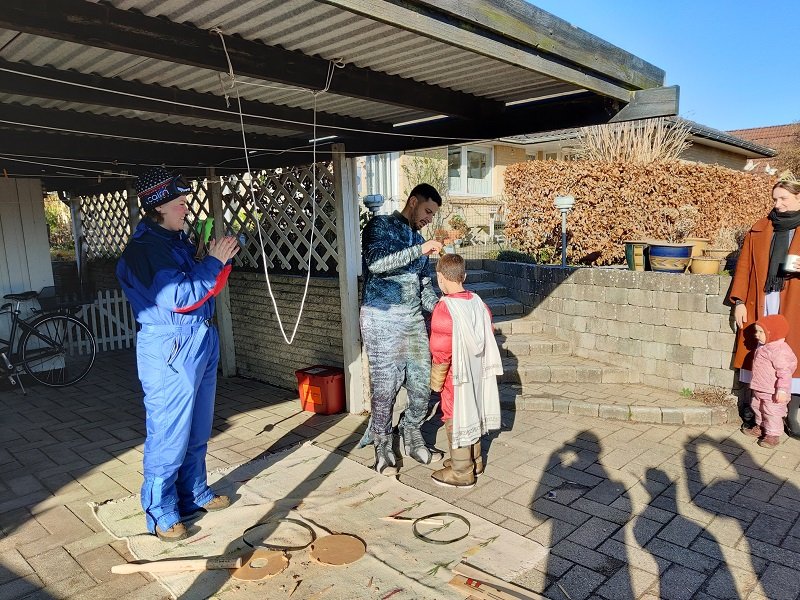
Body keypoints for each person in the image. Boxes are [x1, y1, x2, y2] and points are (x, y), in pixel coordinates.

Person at [116, 167, 240, 541]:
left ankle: (193, 492)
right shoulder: (144, 250)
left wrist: (221, 259)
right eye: (180, 202)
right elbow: (178, 298)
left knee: (198, 428)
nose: (187, 208)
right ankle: (161, 511)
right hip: (170, 346)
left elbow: (205, 291)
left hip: (199, 337)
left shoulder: (176, 241)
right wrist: (213, 262)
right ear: (159, 206)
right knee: (169, 434)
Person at [358, 183, 444, 474]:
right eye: (427, 211)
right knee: (385, 388)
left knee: (422, 386)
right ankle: (382, 443)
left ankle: (412, 432)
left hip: (412, 319)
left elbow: (424, 288)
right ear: (413, 202)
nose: (429, 219)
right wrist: (420, 249)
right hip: (381, 317)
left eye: (433, 215)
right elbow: (377, 263)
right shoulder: (380, 225)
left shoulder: (419, 241)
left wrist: (444, 307)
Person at [730, 174, 800, 439]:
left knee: (791, 353)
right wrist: (738, 302)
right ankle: (756, 411)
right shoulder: (761, 228)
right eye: (775, 199)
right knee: (756, 350)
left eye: (783, 198)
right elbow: (745, 266)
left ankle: (791, 413)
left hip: (794, 300)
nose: (777, 204)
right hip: (761, 298)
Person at [429, 253, 503, 487]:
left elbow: (440, 350)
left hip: (456, 374)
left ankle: (461, 472)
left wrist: (436, 381)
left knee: (455, 415)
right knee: (473, 411)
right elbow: (488, 330)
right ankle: (475, 461)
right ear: (465, 276)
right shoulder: (478, 302)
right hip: (477, 370)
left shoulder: (445, 307)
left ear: (440, 277)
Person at [741, 315, 797, 448]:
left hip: (773, 390)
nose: (756, 335)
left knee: (772, 412)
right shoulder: (764, 346)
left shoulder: (779, 350)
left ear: (773, 333)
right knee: (758, 407)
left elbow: (785, 372)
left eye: (761, 332)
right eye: (757, 331)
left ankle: (773, 435)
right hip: (761, 387)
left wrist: (782, 390)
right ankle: (762, 427)